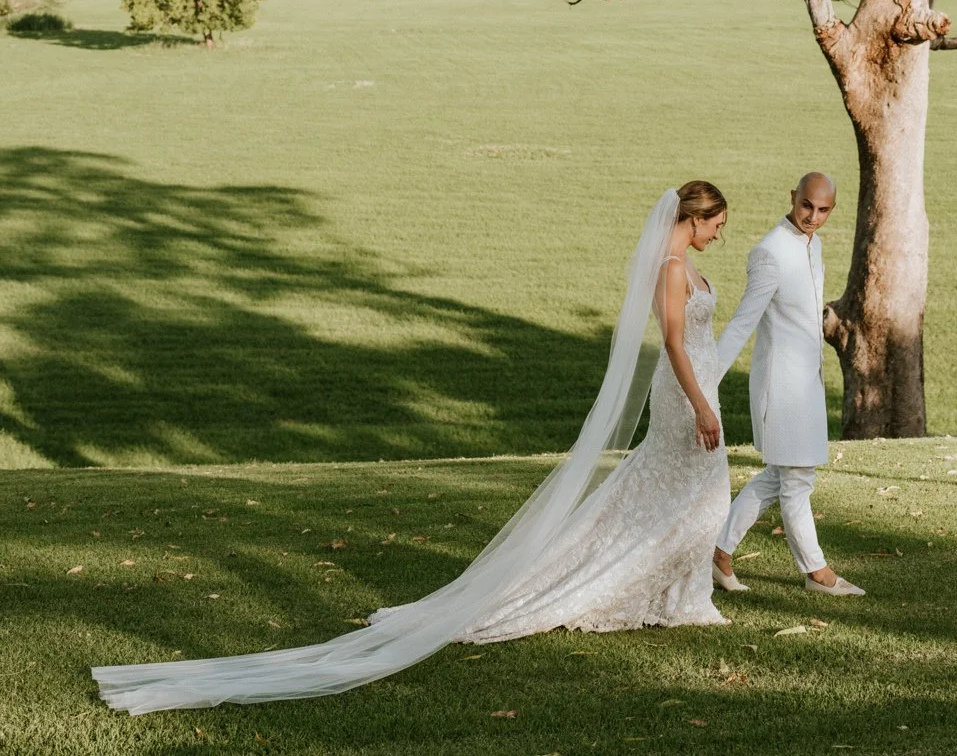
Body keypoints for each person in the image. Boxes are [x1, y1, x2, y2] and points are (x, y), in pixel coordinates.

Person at [93, 181, 734, 713]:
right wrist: (702, 405)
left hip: (697, 390)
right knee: (701, 498)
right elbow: (675, 344)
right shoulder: (672, 270)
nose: (718, 235)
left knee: (687, 494)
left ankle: (679, 593)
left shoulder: (688, 266)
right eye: (716, 224)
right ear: (693, 218)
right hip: (686, 396)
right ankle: (658, 590)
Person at [710, 173, 865, 598]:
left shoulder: (813, 246)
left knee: (781, 476)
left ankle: (718, 553)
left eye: (823, 210)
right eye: (806, 206)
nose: (813, 216)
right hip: (781, 388)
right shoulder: (770, 253)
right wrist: (706, 383)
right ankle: (816, 572)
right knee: (796, 481)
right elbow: (743, 322)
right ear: (792, 198)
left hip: (807, 384)